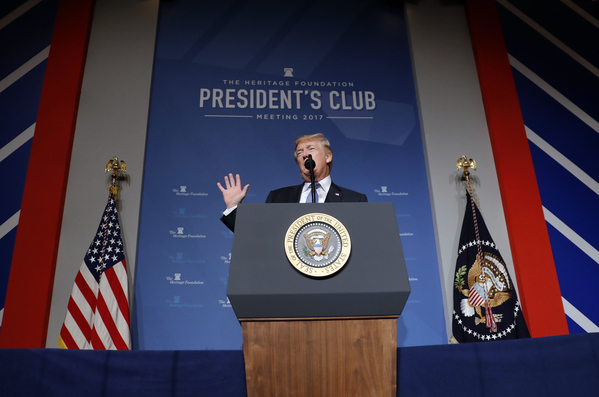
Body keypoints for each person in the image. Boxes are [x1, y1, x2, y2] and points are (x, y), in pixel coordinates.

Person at [217, 133, 368, 231]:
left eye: (311, 149)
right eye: (300, 153)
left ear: (328, 157)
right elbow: (256, 235)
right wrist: (232, 207)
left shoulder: (354, 200)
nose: (304, 155)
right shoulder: (278, 197)